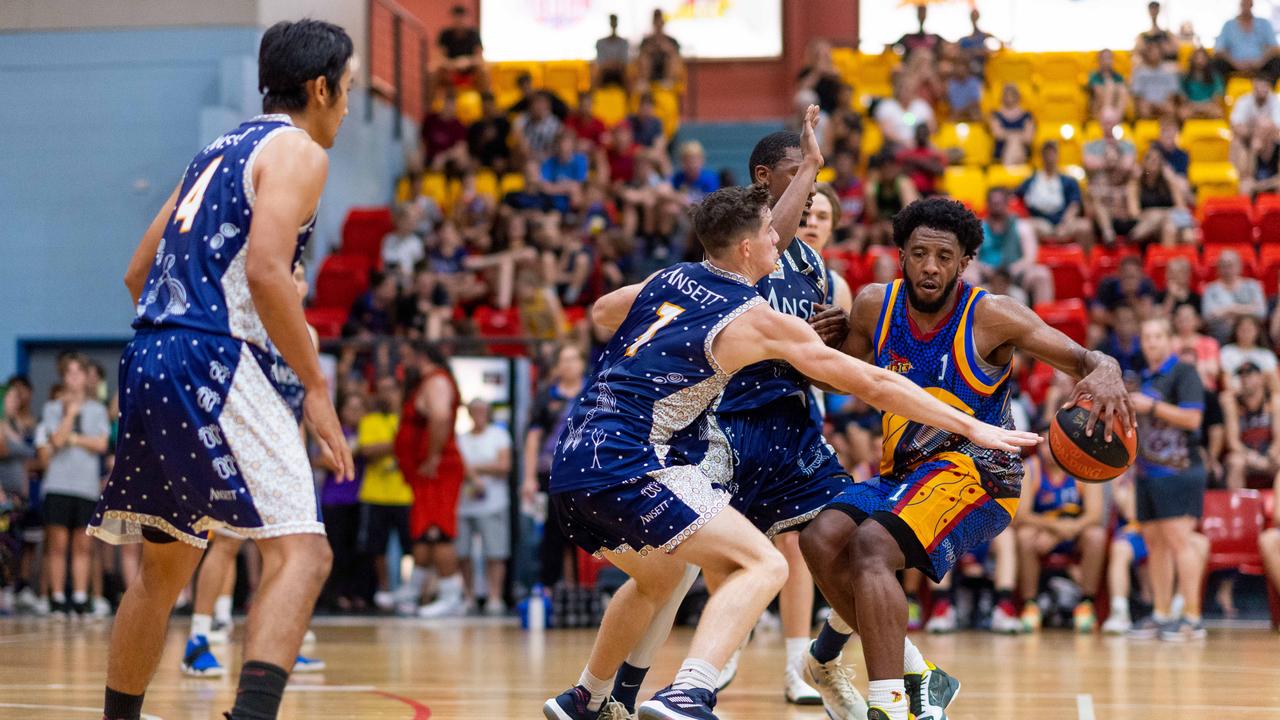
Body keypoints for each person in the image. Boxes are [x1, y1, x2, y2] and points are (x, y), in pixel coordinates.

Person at [541, 186, 1037, 720]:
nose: (782, 235)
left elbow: (602, 310)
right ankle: (691, 689)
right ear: (749, 248)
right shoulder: (755, 315)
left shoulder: (668, 279)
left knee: (661, 577)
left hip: (572, 459)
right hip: (634, 458)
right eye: (770, 231)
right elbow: (873, 383)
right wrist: (971, 426)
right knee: (763, 563)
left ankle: (585, 697)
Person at [87, 20, 355, 720]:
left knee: (166, 566)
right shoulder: (297, 150)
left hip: (149, 353)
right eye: (348, 91)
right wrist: (316, 390)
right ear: (320, 86)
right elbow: (266, 269)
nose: (348, 108)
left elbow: (136, 272)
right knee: (303, 555)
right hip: (216, 355)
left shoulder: (214, 152)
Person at [797, 197, 1131, 720]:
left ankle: (888, 705)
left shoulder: (992, 315)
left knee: (871, 547)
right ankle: (918, 676)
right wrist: (816, 349)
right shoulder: (871, 306)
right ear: (900, 255)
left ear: (964, 261)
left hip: (982, 475)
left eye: (944, 256)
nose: (931, 267)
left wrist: (1106, 365)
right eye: (920, 254)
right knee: (819, 538)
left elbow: (1085, 358)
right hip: (903, 475)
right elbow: (838, 379)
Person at [604, 116, 862, 714]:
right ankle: (656, 679)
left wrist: (836, 339)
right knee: (687, 562)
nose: (812, 209)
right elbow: (609, 312)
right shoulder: (737, 254)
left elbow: (842, 362)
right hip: (721, 420)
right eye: (802, 188)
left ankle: (810, 663)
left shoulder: (822, 274)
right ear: (765, 184)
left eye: (821, 203)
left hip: (790, 421)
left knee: (819, 545)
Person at [1125, 317, 1207, 642]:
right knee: (1154, 544)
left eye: (1158, 336)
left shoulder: (1184, 373)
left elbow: (1193, 418)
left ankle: (1193, 618)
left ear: (1170, 340)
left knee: (1179, 542)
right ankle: (1161, 614)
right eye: (1147, 337)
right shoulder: (1142, 377)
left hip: (1181, 470)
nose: (1152, 342)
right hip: (1147, 472)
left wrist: (1153, 406)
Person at [35, 353, 109, 617]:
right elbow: (55, 441)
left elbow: (100, 444)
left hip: (86, 485)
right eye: (70, 373)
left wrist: (73, 438)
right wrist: (70, 414)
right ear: (64, 377)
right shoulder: (52, 408)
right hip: (58, 483)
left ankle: (79, 597)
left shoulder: (99, 409)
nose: (75, 378)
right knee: (57, 544)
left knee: (83, 545)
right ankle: (56, 598)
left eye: (79, 372)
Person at [396, 343, 467, 618]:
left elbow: (440, 416)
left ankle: (452, 596)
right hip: (427, 474)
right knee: (424, 532)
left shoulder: (436, 380)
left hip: (438, 469)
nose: (404, 365)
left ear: (420, 356)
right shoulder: (429, 381)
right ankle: (412, 592)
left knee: (438, 531)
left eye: (406, 357)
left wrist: (433, 456)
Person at [1015, 437, 1108, 633]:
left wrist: (1063, 533)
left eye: (1054, 443)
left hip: (1075, 533)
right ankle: (1030, 605)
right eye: (1044, 443)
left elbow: (1095, 515)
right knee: (1024, 535)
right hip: (1043, 532)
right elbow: (1020, 516)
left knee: (1097, 535)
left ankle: (1086, 604)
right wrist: (1054, 527)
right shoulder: (1030, 468)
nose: (1049, 448)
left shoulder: (1084, 467)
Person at [520, 344, 586, 589]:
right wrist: (528, 478)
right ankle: (549, 588)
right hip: (551, 473)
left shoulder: (592, 392)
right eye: (564, 360)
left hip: (585, 475)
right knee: (552, 531)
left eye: (573, 359)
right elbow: (533, 438)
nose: (569, 365)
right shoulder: (547, 395)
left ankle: (580, 588)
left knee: (583, 532)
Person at [455, 399, 512, 615]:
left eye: (482, 410)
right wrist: (475, 474)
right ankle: (468, 595)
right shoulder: (461, 439)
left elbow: (504, 465)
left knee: (495, 552)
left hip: (493, 503)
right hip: (464, 504)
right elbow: (456, 467)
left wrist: (475, 468)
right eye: (474, 411)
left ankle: (494, 596)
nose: (479, 414)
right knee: (462, 553)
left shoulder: (498, 436)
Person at [972, 187, 1053, 305]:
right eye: (993, 203)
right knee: (967, 276)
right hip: (986, 274)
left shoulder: (1022, 227)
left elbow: (1030, 258)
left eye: (999, 203)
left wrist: (1012, 270)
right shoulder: (978, 228)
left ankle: (1043, 320)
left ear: (1007, 204)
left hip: (1015, 274)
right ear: (988, 204)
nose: (996, 207)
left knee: (1042, 274)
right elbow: (971, 258)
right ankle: (966, 319)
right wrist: (985, 269)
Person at [1016, 141, 1090, 244]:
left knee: (1084, 226)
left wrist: (1065, 224)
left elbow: (1074, 205)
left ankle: (1085, 259)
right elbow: (1016, 198)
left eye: (1052, 153)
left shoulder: (1068, 181)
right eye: (1046, 153)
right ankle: (1030, 258)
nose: (1049, 157)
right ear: (1042, 156)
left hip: (1064, 223)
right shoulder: (1032, 180)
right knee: (1023, 227)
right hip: (1040, 222)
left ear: (1057, 155)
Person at [1222, 362, 1280, 489]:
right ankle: (1237, 507)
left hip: (1268, 454)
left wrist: (1269, 456)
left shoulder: (1273, 401)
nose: (1245, 379)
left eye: (1249, 375)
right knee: (1235, 462)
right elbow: (1232, 442)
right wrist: (1252, 457)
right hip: (1245, 455)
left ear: (1260, 378)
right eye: (1242, 376)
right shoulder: (1233, 404)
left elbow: (1278, 439)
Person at [1130, 147, 1194, 247]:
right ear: (1144, 163)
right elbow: (1134, 213)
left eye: (1157, 160)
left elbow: (1181, 208)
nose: (1154, 162)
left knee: (1184, 234)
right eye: (1150, 159)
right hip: (1148, 223)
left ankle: (1173, 260)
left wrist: (1162, 214)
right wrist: (1160, 215)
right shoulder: (1136, 183)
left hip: (1171, 221)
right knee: (1166, 225)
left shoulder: (1168, 181)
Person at [1203, 251, 1267, 343]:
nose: (1227, 269)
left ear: (1239, 266)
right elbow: (1208, 316)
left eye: (1230, 265)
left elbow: (1261, 312)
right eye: (1223, 265)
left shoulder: (1252, 286)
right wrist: (1247, 309)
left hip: (1251, 337)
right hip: (1220, 337)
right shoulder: (1210, 289)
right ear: (1218, 268)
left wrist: (1230, 309)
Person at [1213, 0, 1280, 83]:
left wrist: (1260, 61)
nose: (1246, 6)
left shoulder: (1264, 23)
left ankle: (1267, 91)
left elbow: (1274, 47)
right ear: (1240, 5)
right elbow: (1219, 50)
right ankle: (1219, 92)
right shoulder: (1228, 25)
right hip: (1234, 64)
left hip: (1260, 64)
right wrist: (1235, 63)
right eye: (1244, 3)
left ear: (1252, 5)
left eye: (1248, 3)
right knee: (1217, 63)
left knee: (1277, 62)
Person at [434, 4, 487, 93]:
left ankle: (486, 99)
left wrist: (467, 61)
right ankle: (430, 103)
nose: (459, 21)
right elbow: (439, 57)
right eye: (456, 18)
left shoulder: (474, 34)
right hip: (450, 68)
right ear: (452, 19)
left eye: (462, 18)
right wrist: (453, 64)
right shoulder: (445, 34)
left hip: (470, 69)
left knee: (483, 71)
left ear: (467, 19)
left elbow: (479, 57)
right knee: (433, 71)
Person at [874, 76, 935, 150]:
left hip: (920, 144)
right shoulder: (887, 106)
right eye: (904, 89)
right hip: (896, 146)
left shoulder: (922, 105)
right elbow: (887, 132)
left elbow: (931, 127)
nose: (906, 92)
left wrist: (918, 141)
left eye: (909, 89)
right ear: (898, 90)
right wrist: (905, 142)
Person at [636, 8, 683, 95]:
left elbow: (677, 57)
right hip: (650, 71)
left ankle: (668, 82)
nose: (658, 25)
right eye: (656, 22)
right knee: (644, 57)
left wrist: (667, 49)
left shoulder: (672, 41)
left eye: (660, 22)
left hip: (666, 72)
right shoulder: (646, 41)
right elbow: (639, 56)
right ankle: (644, 82)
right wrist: (650, 49)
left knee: (672, 57)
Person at [1130, 41, 1181, 120]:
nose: (1154, 55)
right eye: (1152, 52)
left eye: (1157, 52)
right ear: (1147, 54)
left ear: (1161, 54)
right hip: (1147, 103)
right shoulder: (1140, 72)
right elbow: (1137, 93)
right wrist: (1148, 103)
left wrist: (1163, 103)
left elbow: (1173, 92)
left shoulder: (1169, 71)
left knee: (1170, 108)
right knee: (1143, 109)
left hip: (1164, 102)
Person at [989, 84, 1035, 166]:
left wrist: (1009, 135)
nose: (1009, 97)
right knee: (1014, 141)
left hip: (1023, 153)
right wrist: (1017, 135)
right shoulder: (995, 115)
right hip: (1001, 153)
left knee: (1014, 141)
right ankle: (1012, 169)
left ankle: (1009, 169)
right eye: (1006, 95)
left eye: (1012, 94)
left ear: (1018, 97)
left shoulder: (1027, 116)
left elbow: (1028, 138)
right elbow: (998, 134)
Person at [381, 203, 425, 285]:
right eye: (407, 220)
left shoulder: (416, 243)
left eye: (413, 221)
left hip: (407, 285)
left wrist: (406, 272)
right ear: (398, 220)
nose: (410, 224)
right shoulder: (388, 239)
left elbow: (420, 271)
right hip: (388, 282)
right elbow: (383, 263)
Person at [1181, 48, 1226, 120]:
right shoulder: (1185, 77)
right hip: (1191, 106)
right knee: (1183, 114)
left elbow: (1218, 95)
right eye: (1197, 58)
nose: (1199, 61)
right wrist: (1194, 105)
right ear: (1192, 60)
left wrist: (1205, 106)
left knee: (1218, 113)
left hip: (1209, 106)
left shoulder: (1215, 76)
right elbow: (1182, 96)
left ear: (1207, 60)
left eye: (1202, 58)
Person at [1240, 121, 1280, 197]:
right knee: (1245, 186)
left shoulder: (1278, 149)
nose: (1263, 135)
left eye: (1266, 132)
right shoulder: (1251, 149)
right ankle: (1249, 208)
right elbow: (1247, 175)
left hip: (1272, 183)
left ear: (1272, 134)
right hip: (1256, 184)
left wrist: (1263, 185)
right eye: (1260, 131)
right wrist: (1253, 153)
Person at [1087, 49, 1129, 117]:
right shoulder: (1094, 76)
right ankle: (1107, 116)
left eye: (1109, 58)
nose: (1106, 61)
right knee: (1110, 86)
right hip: (1098, 107)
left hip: (1115, 106)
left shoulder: (1118, 76)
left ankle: (1116, 117)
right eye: (1104, 58)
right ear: (1099, 60)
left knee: (1122, 89)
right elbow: (1097, 91)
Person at [594, 13, 630, 89]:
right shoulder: (600, 43)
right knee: (595, 71)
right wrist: (611, 64)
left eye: (615, 22)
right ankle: (594, 98)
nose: (613, 24)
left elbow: (624, 62)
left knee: (628, 73)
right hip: (604, 72)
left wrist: (613, 64)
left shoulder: (623, 42)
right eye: (612, 22)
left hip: (619, 72)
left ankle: (630, 99)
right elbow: (600, 62)